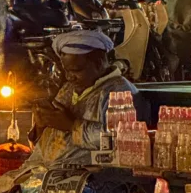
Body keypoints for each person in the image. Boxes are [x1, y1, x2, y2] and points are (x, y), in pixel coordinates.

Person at [25, 30, 143, 168]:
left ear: (99, 63)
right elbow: (47, 143)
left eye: (76, 70)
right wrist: (42, 125)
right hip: (40, 170)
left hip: (87, 179)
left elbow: (120, 140)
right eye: (66, 70)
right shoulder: (68, 89)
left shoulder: (120, 92)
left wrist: (71, 126)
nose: (69, 77)